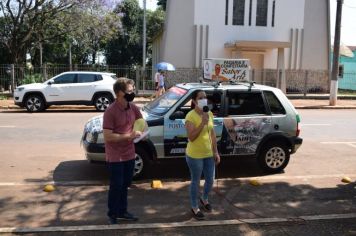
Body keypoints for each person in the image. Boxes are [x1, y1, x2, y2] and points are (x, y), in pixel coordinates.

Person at [103, 77, 143, 224]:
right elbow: (108, 136)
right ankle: (112, 214)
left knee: (125, 184)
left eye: (133, 90)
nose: (133, 93)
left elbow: (141, 124)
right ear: (120, 93)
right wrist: (130, 135)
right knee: (116, 185)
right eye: (130, 91)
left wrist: (143, 134)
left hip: (129, 153)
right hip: (115, 155)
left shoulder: (133, 108)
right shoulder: (110, 111)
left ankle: (122, 211)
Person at [185, 89, 220, 220]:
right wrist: (202, 123)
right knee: (196, 181)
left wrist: (215, 151)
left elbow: (212, 133)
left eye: (205, 97)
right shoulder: (190, 116)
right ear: (194, 101)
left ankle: (204, 199)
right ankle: (194, 207)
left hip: (209, 154)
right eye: (200, 98)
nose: (203, 99)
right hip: (195, 156)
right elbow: (191, 137)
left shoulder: (209, 113)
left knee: (210, 179)